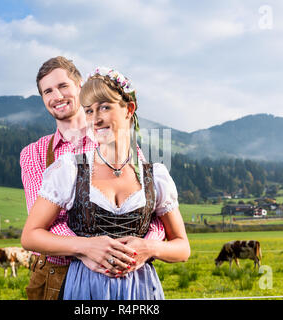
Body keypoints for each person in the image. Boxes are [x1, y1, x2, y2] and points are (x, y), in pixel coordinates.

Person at [21, 66, 190, 299]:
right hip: (77, 280)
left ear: (129, 109)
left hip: (139, 288)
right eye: (89, 111)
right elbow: (32, 232)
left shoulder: (153, 173)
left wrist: (148, 247)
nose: (96, 118)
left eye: (104, 107)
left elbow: (175, 240)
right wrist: (87, 247)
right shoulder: (63, 166)